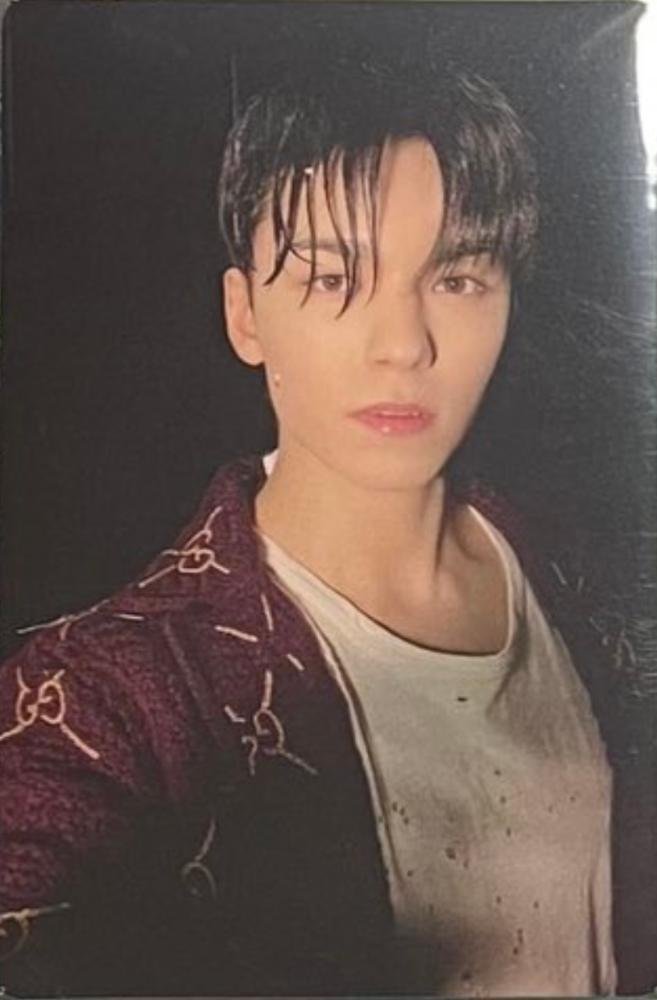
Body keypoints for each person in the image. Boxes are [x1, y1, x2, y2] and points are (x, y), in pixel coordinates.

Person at [0, 67, 631, 998]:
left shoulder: (585, 576)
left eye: (456, 278)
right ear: (244, 315)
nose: (402, 344)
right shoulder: (103, 696)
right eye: (333, 278)